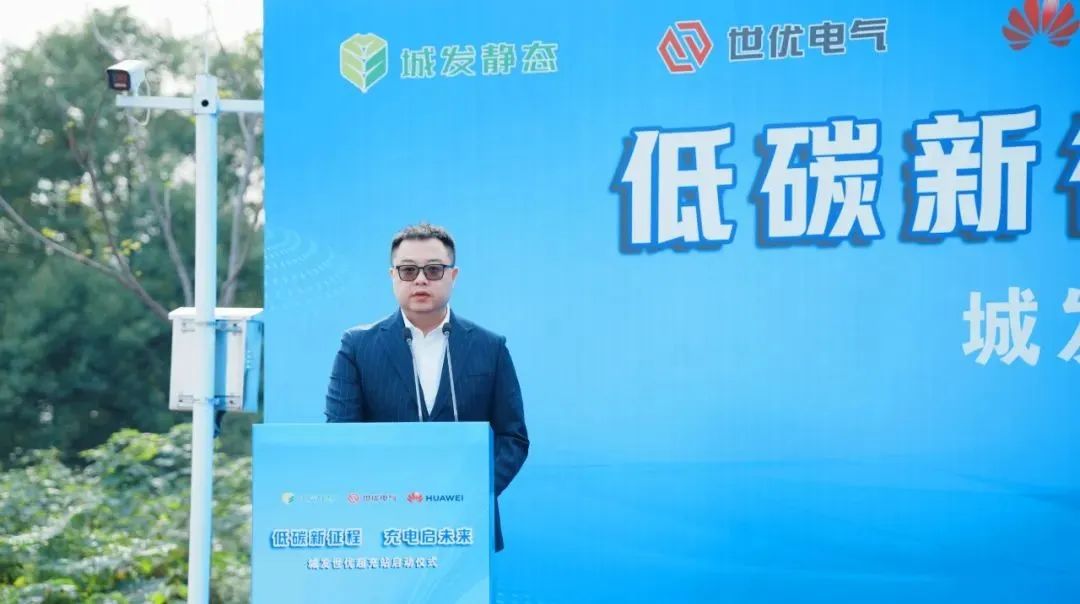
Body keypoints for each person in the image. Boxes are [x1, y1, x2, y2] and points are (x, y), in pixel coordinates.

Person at [324, 223, 529, 552]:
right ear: (393, 276)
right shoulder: (357, 347)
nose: (420, 280)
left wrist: (474, 492)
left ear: (453, 275)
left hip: (466, 523)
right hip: (383, 525)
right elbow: (341, 434)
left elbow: (513, 437)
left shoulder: (490, 348)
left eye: (433, 270)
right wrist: (386, 495)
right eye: (408, 270)